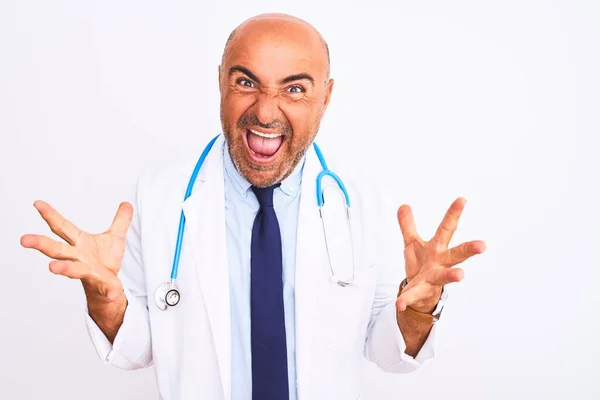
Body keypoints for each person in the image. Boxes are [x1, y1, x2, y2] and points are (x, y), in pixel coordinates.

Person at [20, 13, 486, 400]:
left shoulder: (361, 200)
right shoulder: (161, 195)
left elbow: (387, 353)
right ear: (221, 83)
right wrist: (108, 302)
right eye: (247, 82)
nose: (265, 112)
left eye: (295, 89)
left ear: (326, 96)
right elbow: (137, 349)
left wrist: (416, 311)